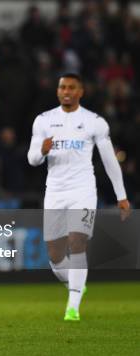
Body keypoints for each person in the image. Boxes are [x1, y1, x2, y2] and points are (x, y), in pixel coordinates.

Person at [27, 73, 130, 321]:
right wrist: (42, 150)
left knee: (77, 242)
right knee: (54, 255)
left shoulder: (94, 122)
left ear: (81, 92)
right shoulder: (44, 121)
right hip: (54, 191)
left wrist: (121, 196)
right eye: (62, 87)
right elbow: (32, 160)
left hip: (82, 190)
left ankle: (72, 306)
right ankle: (76, 283)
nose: (67, 91)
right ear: (57, 91)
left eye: (72, 87)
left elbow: (109, 160)